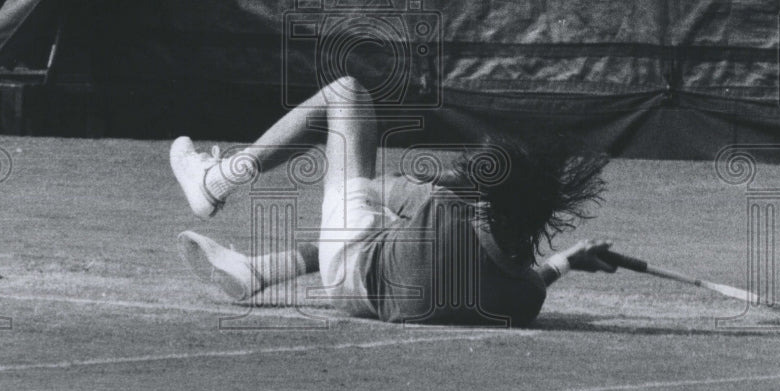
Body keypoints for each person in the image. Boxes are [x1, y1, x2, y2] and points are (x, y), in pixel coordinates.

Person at [170, 75, 613, 326]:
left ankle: (218, 179)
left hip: (353, 261)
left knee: (347, 95)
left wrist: (435, 182)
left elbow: (376, 187)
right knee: (387, 227)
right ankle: (256, 272)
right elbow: (534, 278)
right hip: (365, 299)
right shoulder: (525, 297)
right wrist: (567, 262)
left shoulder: (445, 206)